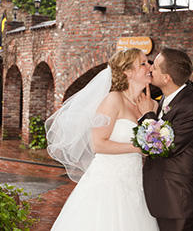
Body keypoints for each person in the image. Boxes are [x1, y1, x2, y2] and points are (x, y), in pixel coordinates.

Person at [45, 48, 159, 231]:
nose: (150, 67)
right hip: (108, 181)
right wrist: (138, 147)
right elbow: (98, 143)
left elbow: (155, 140)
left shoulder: (151, 104)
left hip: (135, 181)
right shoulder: (113, 99)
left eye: (149, 62)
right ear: (127, 72)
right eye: (143, 64)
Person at [137, 47, 193, 231]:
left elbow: (163, 147)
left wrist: (148, 115)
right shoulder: (169, 97)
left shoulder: (191, 107)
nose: (150, 68)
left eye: (155, 66)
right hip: (164, 195)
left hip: (180, 200)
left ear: (167, 78)